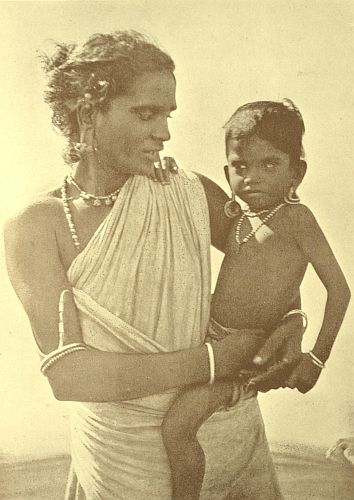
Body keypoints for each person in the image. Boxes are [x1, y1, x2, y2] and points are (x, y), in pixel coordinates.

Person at [4, 31, 306, 499]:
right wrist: (211, 362)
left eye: (167, 114)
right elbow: (68, 373)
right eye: (146, 113)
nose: (164, 132)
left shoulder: (189, 191)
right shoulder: (36, 225)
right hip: (122, 461)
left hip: (229, 435)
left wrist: (293, 318)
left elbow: (274, 254)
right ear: (88, 112)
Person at [161, 99, 351, 500]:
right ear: (227, 171)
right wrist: (168, 168)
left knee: (177, 427)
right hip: (208, 339)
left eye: (269, 165)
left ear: (296, 172)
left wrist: (317, 357)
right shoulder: (239, 217)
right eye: (240, 167)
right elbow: (192, 184)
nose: (251, 178)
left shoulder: (298, 220)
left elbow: (340, 289)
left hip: (246, 350)